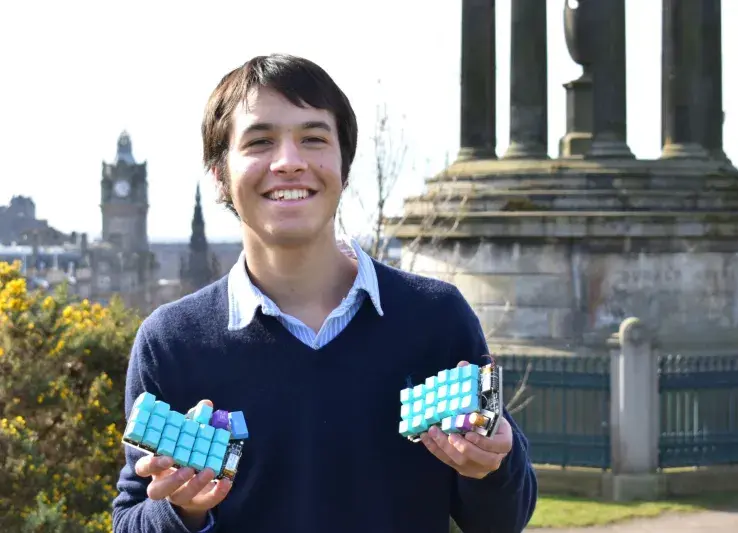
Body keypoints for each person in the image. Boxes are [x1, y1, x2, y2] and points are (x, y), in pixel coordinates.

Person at [111, 53, 537, 533]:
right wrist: (182, 510)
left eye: (313, 138)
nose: (289, 162)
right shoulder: (171, 341)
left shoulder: (435, 317)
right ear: (219, 175)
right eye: (260, 141)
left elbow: (504, 519)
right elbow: (130, 519)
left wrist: (492, 465)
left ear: (344, 165)